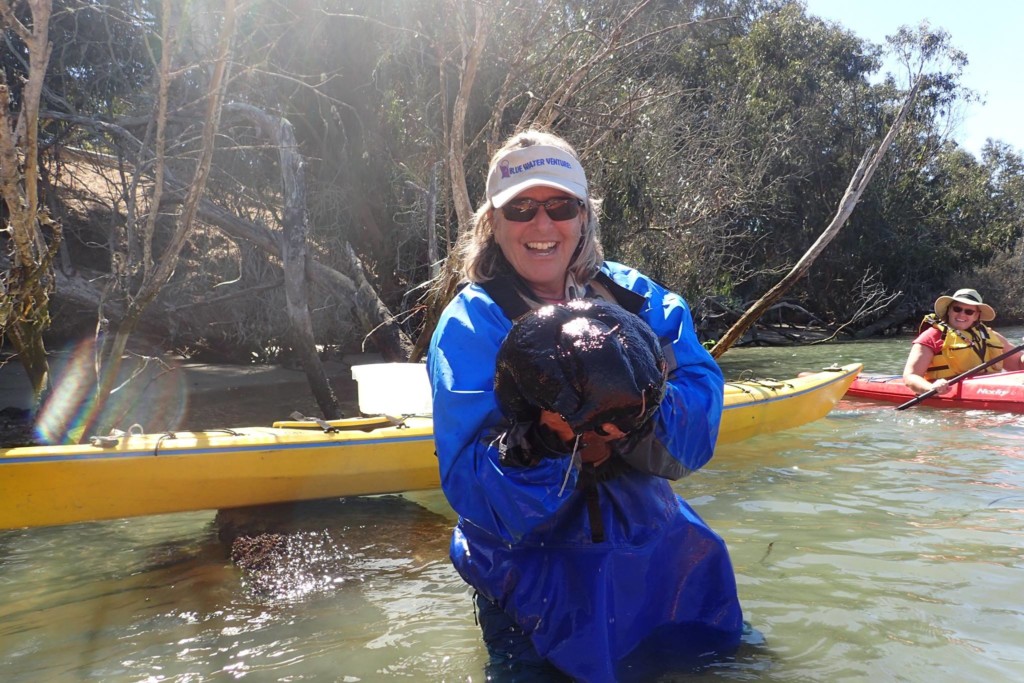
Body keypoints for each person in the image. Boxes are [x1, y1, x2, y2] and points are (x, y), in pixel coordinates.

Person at [426, 129, 744, 682]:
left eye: (560, 206)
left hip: (662, 560)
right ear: (493, 223)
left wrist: (641, 418)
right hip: (533, 581)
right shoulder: (469, 325)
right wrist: (544, 443)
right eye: (520, 208)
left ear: (584, 217)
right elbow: (472, 488)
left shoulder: (636, 298)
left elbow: (699, 419)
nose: (542, 225)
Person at [903, 288, 1023, 396]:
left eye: (969, 311)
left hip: (990, 391)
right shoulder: (931, 337)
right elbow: (910, 376)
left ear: (976, 316)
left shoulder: (990, 336)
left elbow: (1019, 364)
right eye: (957, 309)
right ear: (949, 310)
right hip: (948, 394)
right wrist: (930, 388)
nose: (961, 314)